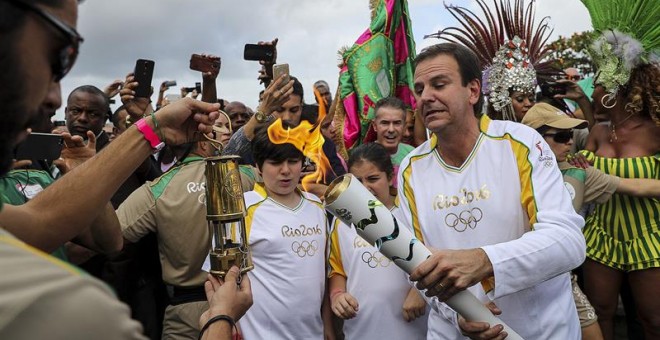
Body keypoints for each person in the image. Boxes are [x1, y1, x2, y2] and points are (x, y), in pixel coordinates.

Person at [0, 0, 246, 338]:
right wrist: (221, 317)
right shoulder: (79, 314)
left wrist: (152, 127)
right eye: (58, 57)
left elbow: (48, 224)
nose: (55, 98)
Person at [398, 43, 585, 339]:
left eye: (439, 84)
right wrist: (459, 312)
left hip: (538, 328)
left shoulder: (521, 143)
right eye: (419, 89)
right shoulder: (411, 168)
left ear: (473, 91)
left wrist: (485, 261)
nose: (426, 97)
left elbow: (567, 242)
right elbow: (418, 264)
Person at [578, 1, 660, 338]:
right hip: (602, 234)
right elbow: (581, 177)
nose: (592, 86)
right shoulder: (597, 133)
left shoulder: (656, 130)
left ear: (617, 88)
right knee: (600, 314)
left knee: (654, 320)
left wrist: (609, 180)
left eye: (597, 80)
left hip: (649, 236)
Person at [238, 123, 332, 340]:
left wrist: (327, 326)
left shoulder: (316, 205)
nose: (286, 170)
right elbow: (222, 278)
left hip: (313, 334)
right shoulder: (243, 208)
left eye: (293, 161)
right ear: (258, 166)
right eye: (275, 162)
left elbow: (323, 275)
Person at [328, 142, 427, 340]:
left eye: (373, 179)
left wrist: (421, 292)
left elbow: (436, 259)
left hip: (412, 328)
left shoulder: (410, 213)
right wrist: (337, 295)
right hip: (361, 328)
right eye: (357, 181)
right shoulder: (342, 222)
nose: (365, 187)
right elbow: (337, 269)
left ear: (390, 177)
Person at [371, 97, 414, 188]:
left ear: (404, 126)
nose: (391, 129)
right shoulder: (364, 156)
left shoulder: (413, 155)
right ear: (375, 126)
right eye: (385, 123)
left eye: (397, 123)